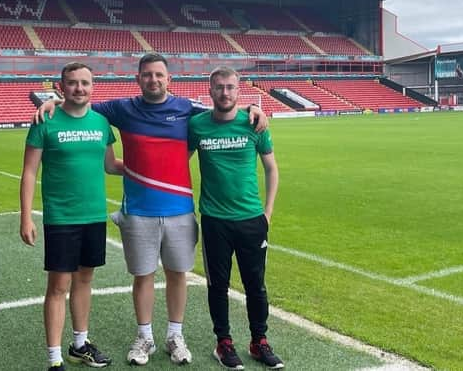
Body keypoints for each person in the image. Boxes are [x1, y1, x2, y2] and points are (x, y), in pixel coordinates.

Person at [35, 53, 267, 366]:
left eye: (159, 75)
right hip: (139, 211)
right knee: (143, 276)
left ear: (168, 80)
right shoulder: (122, 109)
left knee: (177, 275)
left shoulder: (187, 110)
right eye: (147, 75)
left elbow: (224, 110)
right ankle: (144, 337)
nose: (153, 80)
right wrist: (51, 101)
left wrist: (253, 108)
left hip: (180, 209)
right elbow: (78, 107)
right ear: (138, 79)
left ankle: (175, 336)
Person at [20, 62, 123, 371]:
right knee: (58, 286)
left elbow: (111, 165)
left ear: (93, 86)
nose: (80, 88)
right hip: (62, 217)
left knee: (85, 279)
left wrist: (146, 167)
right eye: (73, 83)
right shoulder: (46, 121)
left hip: (94, 215)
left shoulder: (103, 123)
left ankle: (80, 344)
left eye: (85, 83)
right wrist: (26, 217)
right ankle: (54, 360)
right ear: (61, 86)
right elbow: (28, 172)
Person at [188, 66, 284, 370]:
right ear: (210, 89)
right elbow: (177, 164)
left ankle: (259, 341)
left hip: (251, 220)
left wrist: (267, 213)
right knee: (218, 285)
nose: (225, 92)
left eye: (230, 87)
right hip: (215, 220)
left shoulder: (254, 124)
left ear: (238, 91)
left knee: (256, 285)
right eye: (219, 87)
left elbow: (272, 168)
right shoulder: (197, 125)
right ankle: (223, 343)